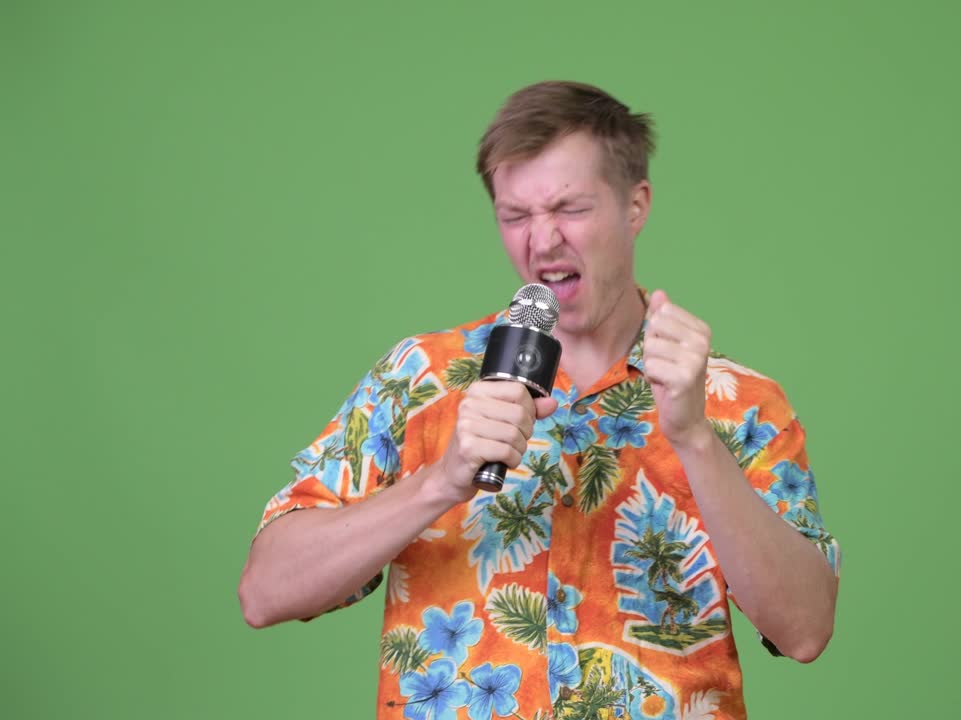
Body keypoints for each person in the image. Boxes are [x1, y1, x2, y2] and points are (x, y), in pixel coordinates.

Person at [238, 80, 840, 719]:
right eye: (515, 215)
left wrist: (692, 436)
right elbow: (265, 592)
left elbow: (804, 630)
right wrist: (439, 483)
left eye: (570, 209)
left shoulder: (737, 400)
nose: (543, 240)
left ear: (635, 206)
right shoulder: (420, 377)